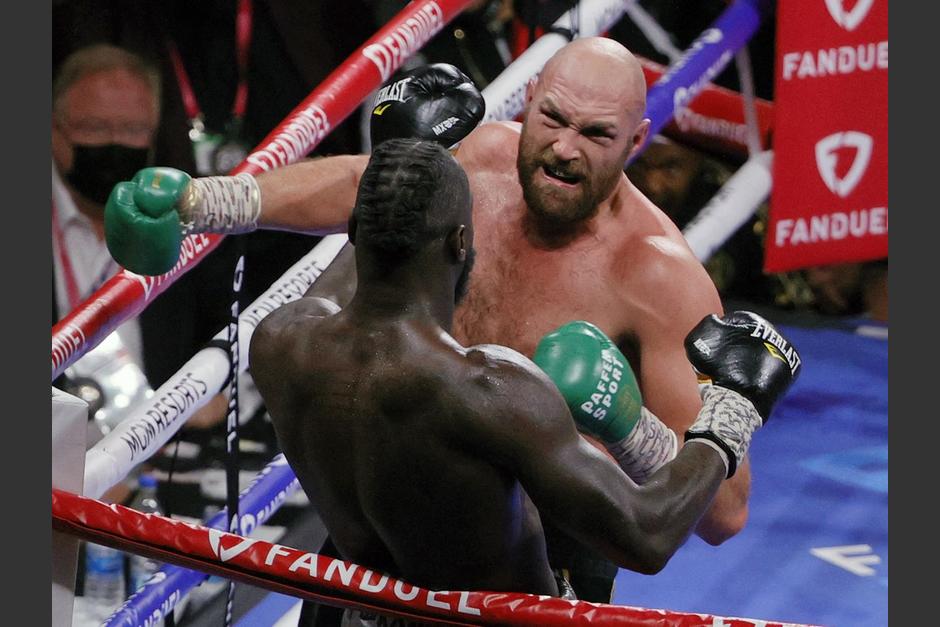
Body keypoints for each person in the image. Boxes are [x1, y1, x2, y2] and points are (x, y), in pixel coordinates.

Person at [106, 37, 757, 601]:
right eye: (553, 118)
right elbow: (366, 185)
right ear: (529, 100)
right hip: (384, 520)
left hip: (537, 557)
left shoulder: (658, 277)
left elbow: (723, 511)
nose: (563, 149)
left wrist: (626, 425)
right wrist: (204, 200)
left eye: (595, 135)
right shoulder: (480, 161)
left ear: (637, 140)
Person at [248, 139, 799, 622]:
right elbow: (647, 534)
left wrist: (405, 166)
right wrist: (732, 408)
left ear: (356, 230)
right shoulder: (487, 391)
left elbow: (368, 245)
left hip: (358, 607)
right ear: (461, 244)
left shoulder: (280, 340)